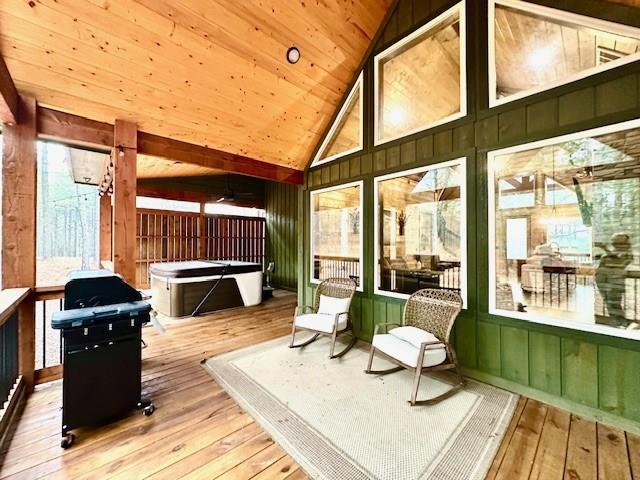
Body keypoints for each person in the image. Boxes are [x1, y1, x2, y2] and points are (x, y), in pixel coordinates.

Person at [595, 233, 633, 326]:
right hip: (603, 280)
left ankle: (622, 322)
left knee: (614, 303)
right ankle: (616, 322)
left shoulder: (627, 254)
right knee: (609, 303)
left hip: (614, 282)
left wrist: (605, 248)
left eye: (617, 242)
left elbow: (619, 263)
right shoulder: (613, 252)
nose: (614, 244)